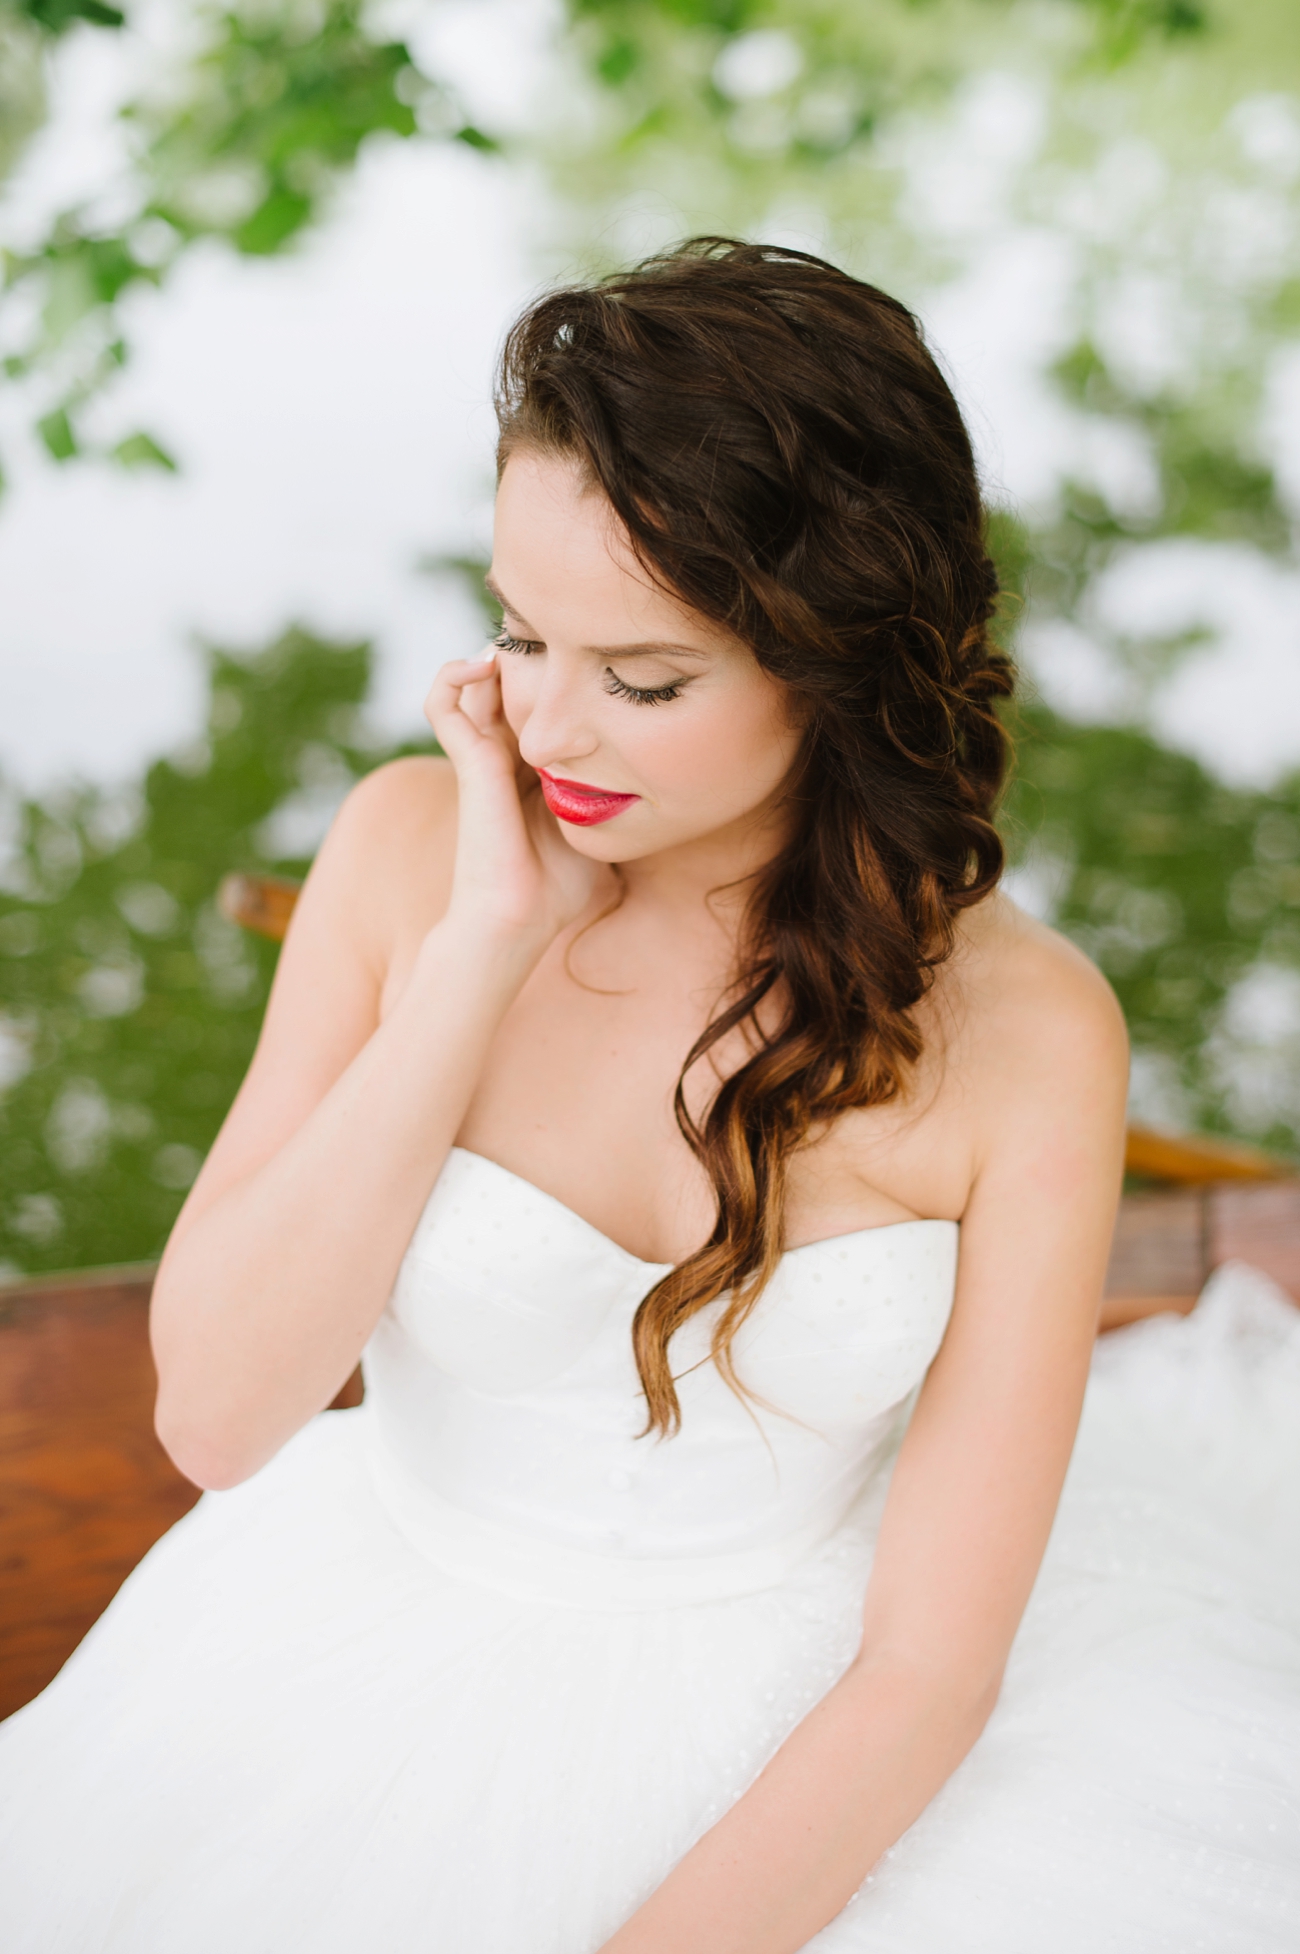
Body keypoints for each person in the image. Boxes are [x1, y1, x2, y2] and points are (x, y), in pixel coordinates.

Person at [1, 238, 1297, 1954]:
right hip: (351, 1661)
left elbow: (928, 1666)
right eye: (521, 632)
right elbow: (220, 1419)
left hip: (825, 1716)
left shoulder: (1034, 1030)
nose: (548, 726)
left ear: (837, 662)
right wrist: (479, 946)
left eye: (645, 678)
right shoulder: (410, 853)